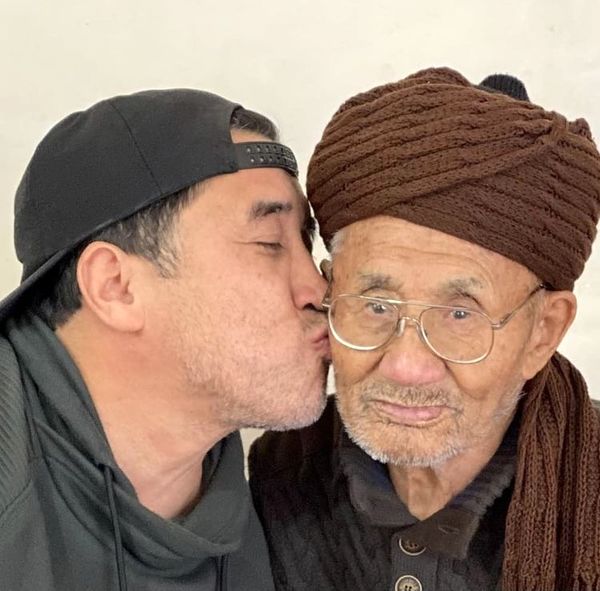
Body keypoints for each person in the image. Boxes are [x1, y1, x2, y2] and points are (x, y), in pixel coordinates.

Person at [249, 68, 600, 591]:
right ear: (330, 293)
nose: (406, 366)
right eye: (375, 305)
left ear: (543, 333)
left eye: (460, 315)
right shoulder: (278, 475)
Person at [0, 89, 330, 590]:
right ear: (116, 286)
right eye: (269, 242)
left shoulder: (283, 504)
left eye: (305, 243)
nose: (319, 292)